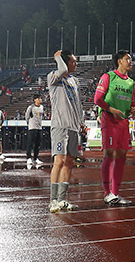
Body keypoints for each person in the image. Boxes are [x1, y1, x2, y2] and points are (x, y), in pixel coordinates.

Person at [95, 50, 135, 206]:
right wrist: (112, 110)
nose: (130, 61)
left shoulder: (131, 82)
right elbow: (97, 99)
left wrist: (132, 110)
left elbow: (131, 104)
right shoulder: (108, 77)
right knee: (109, 153)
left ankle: (116, 193)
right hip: (109, 119)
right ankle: (107, 193)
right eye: (128, 59)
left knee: (122, 155)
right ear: (119, 61)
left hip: (123, 122)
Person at [48, 50, 84, 213]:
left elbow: (78, 104)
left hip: (74, 127)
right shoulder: (53, 77)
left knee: (69, 162)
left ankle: (62, 199)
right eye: (73, 61)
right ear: (65, 63)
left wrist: (81, 123)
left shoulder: (74, 81)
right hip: (60, 125)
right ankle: (53, 200)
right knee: (59, 161)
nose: (76, 64)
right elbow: (62, 70)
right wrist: (57, 57)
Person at [25, 94, 45, 166]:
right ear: (35, 100)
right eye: (39, 98)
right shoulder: (31, 107)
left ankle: (36, 158)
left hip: (39, 127)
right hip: (32, 127)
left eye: (41, 98)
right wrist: (29, 124)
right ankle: (28, 158)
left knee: (37, 144)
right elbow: (27, 116)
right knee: (30, 143)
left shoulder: (42, 107)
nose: (40, 100)